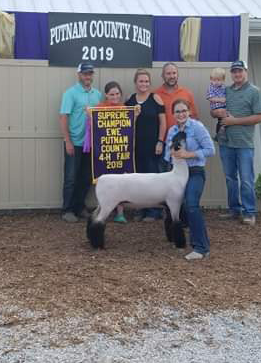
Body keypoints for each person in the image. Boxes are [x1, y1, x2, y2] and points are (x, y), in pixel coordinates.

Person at [213, 61, 261, 226]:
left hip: (244, 144)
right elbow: (214, 110)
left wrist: (234, 121)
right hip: (225, 142)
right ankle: (234, 210)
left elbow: (260, 117)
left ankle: (249, 212)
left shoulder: (255, 92)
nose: (237, 74)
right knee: (230, 178)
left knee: (246, 179)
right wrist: (216, 112)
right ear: (231, 74)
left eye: (240, 71)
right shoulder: (225, 91)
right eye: (234, 71)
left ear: (246, 72)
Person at [164, 99, 215, 261]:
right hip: (176, 173)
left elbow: (210, 150)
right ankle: (179, 239)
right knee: (177, 207)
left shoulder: (197, 127)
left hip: (194, 171)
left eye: (184, 110)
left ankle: (201, 248)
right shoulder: (172, 130)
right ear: (173, 114)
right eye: (177, 111)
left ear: (189, 111)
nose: (181, 114)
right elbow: (167, 155)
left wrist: (188, 154)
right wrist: (172, 155)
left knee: (191, 204)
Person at [59, 63, 102, 223]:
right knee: (70, 177)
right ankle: (67, 209)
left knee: (86, 177)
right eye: (85, 74)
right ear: (79, 75)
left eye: (90, 74)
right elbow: (63, 117)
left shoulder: (97, 94)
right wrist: (67, 140)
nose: (88, 77)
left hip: (91, 144)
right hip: (75, 142)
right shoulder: (70, 93)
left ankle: (79, 207)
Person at [84, 81, 129, 223]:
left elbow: (130, 127)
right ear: (106, 95)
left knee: (121, 181)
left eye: (117, 94)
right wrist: (90, 115)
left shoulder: (125, 108)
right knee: (103, 181)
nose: (115, 97)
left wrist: (137, 114)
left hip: (120, 149)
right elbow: (94, 127)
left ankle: (120, 213)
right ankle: (103, 210)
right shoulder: (99, 108)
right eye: (111, 94)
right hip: (103, 150)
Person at [125, 69, 166, 221]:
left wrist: (160, 141)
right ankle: (140, 209)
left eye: (146, 81)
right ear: (136, 83)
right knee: (138, 179)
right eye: (141, 81)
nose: (144, 84)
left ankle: (154, 211)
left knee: (153, 179)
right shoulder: (129, 99)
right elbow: (125, 124)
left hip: (152, 146)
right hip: (135, 147)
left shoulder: (155, 98)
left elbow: (163, 122)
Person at [154, 62, 200, 132]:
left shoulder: (187, 93)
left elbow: (194, 118)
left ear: (178, 75)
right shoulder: (155, 94)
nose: (172, 76)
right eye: (168, 73)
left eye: (174, 73)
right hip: (162, 140)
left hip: (183, 139)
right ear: (163, 76)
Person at [206, 67, 227, 141]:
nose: (216, 82)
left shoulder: (224, 87)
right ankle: (218, 134)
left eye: (218, 80)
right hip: (216, 107)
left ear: (223, 80)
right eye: (214, 80)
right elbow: (210, 98)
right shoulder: (211, 87)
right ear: (211, 79)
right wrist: (221, 100)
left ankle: (223, 133)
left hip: (224, 106)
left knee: (224, 121)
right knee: (220, 120)